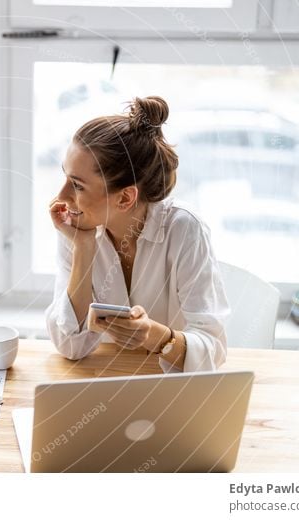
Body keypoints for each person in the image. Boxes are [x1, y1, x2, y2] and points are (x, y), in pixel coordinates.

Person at [44, 95, 230, 372]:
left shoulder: (184, 230)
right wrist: (83, 250)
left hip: (174, 391)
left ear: (125, 198)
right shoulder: (77, 229)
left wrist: (156, 336)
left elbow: (213, 352)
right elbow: (70, 346)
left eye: (77, 186)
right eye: (65, 178)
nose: (61, 197)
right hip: (108, 381)